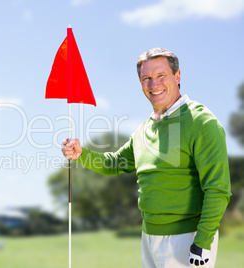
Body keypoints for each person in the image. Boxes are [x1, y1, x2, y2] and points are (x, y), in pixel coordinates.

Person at [61, 48, 231, 268]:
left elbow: (217, 189)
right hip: (149, 237)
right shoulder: (144, 129)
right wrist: (81, 154)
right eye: (146, 78)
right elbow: (114, 163)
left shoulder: (202, 122)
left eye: (161, 76)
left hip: (187, 239)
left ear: (177, 76)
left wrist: (203, 241)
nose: (154, 84)